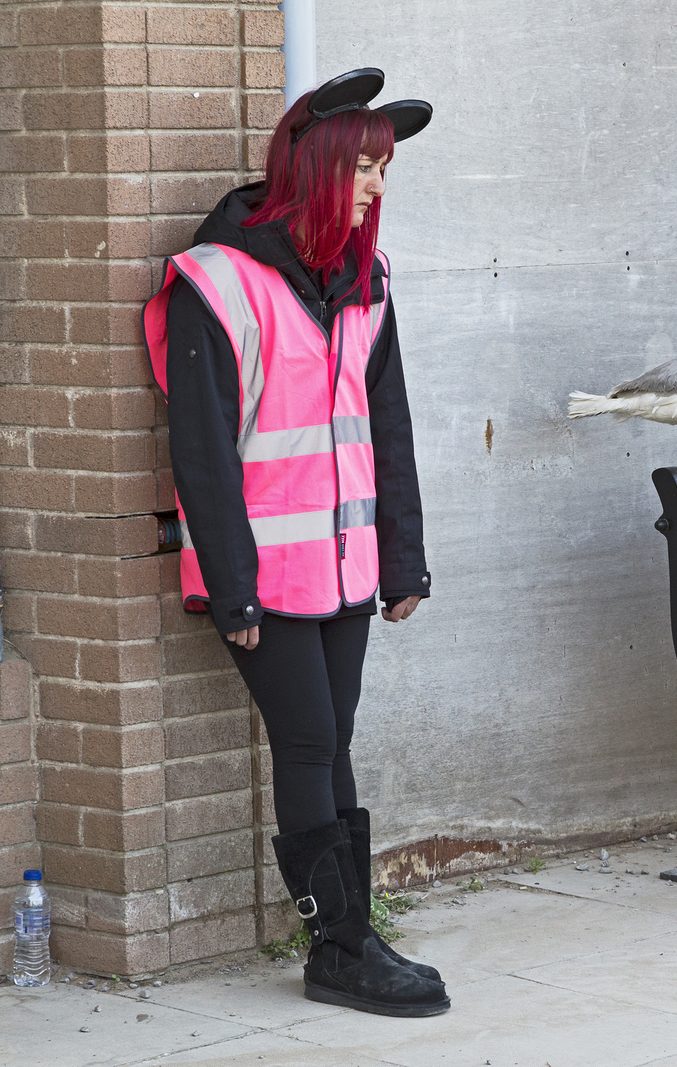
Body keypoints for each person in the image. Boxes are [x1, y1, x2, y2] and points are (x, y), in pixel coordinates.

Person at [143, 70, 447, 1016]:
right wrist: (228, 586)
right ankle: (341, 944)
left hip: (348, 567)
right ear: (313, 165)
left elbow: (385, 423)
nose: (374, 186)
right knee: (309, 737)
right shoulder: (216, 282)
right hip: (264, 577)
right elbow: (199, 448)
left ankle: (349, 937)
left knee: (334, 739)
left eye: (383, 169)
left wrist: (404, 560)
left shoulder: (366, 281)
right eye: (361, 166)